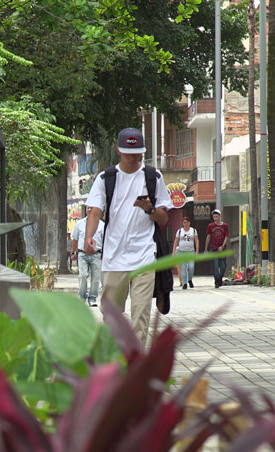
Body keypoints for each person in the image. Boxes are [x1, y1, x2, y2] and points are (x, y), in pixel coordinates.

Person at [83, 128, 171, 344]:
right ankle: (114, 362)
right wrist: (88, 237)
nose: (133, 158)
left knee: (140, 315)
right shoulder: (106, 178)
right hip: (114, 258)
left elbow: (164, 219)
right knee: (111, 316)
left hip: (144, 256)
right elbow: (95, 211)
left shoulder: (153, 177)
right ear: (118, 151)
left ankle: (136, 365)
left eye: (137, 153)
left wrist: (150, 209)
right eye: (128, 153)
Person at [70, 215, 104, 306]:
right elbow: (75, 239)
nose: (90, 209)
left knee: (96, 278)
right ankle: (81, 297)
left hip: (96, 254)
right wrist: (73, 252)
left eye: (92, 208)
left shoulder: (101, 225)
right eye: (88, 208)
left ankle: (92, 298)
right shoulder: (80, 223)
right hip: (82, 254)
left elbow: (105, 240)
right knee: (83, 275)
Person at [173, 221, 198, 289]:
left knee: (191, 266)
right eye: (184, 222)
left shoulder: (193, 230)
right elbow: (176, 241)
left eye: (187, 222)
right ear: (182, 223)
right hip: (181, 251)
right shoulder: (180, 231)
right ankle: (184, 283)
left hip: (191, 251)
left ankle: (189, 279)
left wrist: (197, 251)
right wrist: (174, 251)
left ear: (189, 223)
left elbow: (196, 241)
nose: (186, 224)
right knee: (183, 268)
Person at [207, 210, 229, 287]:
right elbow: (208, 236)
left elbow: (226, 236)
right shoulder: (210, 226)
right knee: (215, 265)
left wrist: (222, 246)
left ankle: (220, 277)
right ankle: (217, 281)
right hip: (213, 248)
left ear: (220, 216)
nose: (215, 218)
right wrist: (206, 248)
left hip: (222, 248)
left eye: (216, 216)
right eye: (214, 217)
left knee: (223, 266)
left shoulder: (225, 225)